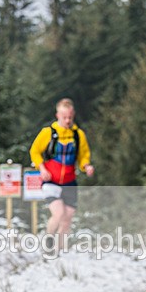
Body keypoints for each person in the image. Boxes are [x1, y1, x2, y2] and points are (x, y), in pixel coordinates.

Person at [28, 98, 94, 247]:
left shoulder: (78, 135)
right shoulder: (48, 133)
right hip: (51, 180)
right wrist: (42, 169)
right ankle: (49, 241)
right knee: (58, 214)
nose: (68, 120)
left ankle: (59, 251)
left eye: (70, 117)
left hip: (70, 181)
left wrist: (87, 166)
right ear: (57, 115)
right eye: (64, 117)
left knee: (67, 219)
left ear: (73, 115)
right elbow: (35, 151)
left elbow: (83, 156)